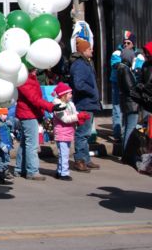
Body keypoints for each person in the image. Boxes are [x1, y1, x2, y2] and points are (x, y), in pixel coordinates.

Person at [15, 69, 62, 180]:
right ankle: (32, 171)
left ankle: (20, 169)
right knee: (32, 144)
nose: (37, 69)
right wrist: (50, 106)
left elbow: (36, 98)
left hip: (29, 113)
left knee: (25, 143)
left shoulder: (29, 78)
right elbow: (34, 99)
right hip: (28, 114)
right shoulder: (25, 80)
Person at [69, 38, 102, 172]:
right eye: (89, 49)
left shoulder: (86, 63)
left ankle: (86, 159)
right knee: (82, 133)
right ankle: (80, 160)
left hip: (89, 103)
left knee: (86, 133)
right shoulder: (79, 64)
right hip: (84, 103)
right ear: (83, 51)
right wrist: (92, 91)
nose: (92, 50)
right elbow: (79, 84)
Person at [52, 82, 90, 180]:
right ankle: (64, 173)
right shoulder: (58, 106)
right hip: (61, 133)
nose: (71, 95)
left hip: (68, 132)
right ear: (63, 95)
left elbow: (74, 113)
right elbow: (65, 119)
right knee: (64, 154)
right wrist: (77, 117)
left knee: (63, 153)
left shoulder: (70, 104)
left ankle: (60, 171)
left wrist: (81, 116)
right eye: (69, 93)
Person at [117, 47, 141, 147]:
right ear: (129, 57)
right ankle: (127, 152)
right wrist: (140, 95)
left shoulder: (121, 68)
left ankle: (125, 151)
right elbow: (130, 88)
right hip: (131, 103)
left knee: (127, 127)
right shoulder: (125, 70)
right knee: (130, 128)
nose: (134, 59)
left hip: (126, 102)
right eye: (133, 57)